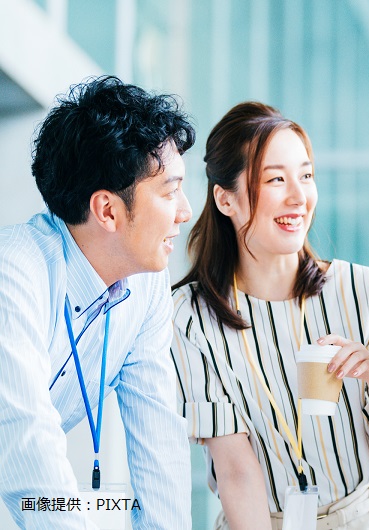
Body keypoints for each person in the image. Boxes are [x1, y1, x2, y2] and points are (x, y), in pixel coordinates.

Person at [170, 101, 369, 530]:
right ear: (225, 199)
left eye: (305, 176)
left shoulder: (363, 290)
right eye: (275, 180)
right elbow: (236, 472)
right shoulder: (192, 318)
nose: (299, 197)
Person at [0, 76, 194, 528]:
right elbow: (26, 442)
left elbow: (159, 437)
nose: (185, 211)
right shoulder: (14, 274)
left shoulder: (145, 285)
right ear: (107, 210)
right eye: (170, 191)